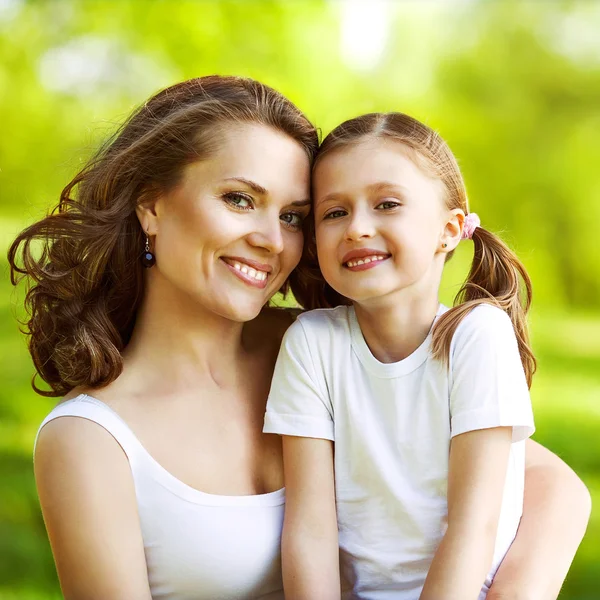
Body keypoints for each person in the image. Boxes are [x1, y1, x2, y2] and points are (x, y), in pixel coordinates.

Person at [7, 79, 590, 600]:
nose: (270, 239)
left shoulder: (329, 349)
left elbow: (552, 489)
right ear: (152, 206)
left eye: (292, 216)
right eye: (239, 199)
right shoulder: (92, 440)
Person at [264, 112, 590, 600]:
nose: (357, 228)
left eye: (387, 204)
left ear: (449, 229)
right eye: (335, 213)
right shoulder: (312, 344)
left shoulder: (477, 336)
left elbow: (471, 527)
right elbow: (309, 529)